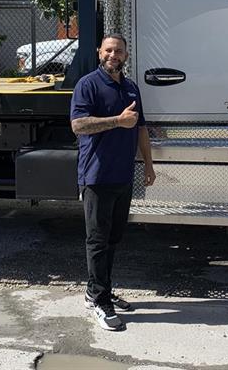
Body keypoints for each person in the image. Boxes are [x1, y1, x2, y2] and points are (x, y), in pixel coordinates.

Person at [70, 34, 156, 331]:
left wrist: (148, 164)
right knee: (97, 240)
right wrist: (117, 121)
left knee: (113, 238)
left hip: (122, 175)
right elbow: (78, 125)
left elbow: (141, 128)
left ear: (126, 55)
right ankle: (99, 300)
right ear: (99, 53)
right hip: (96, 176)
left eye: (118, 51)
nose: (113, 55)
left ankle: (98, 290)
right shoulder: (88, 84)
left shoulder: (131, 87)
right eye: (108, 50)